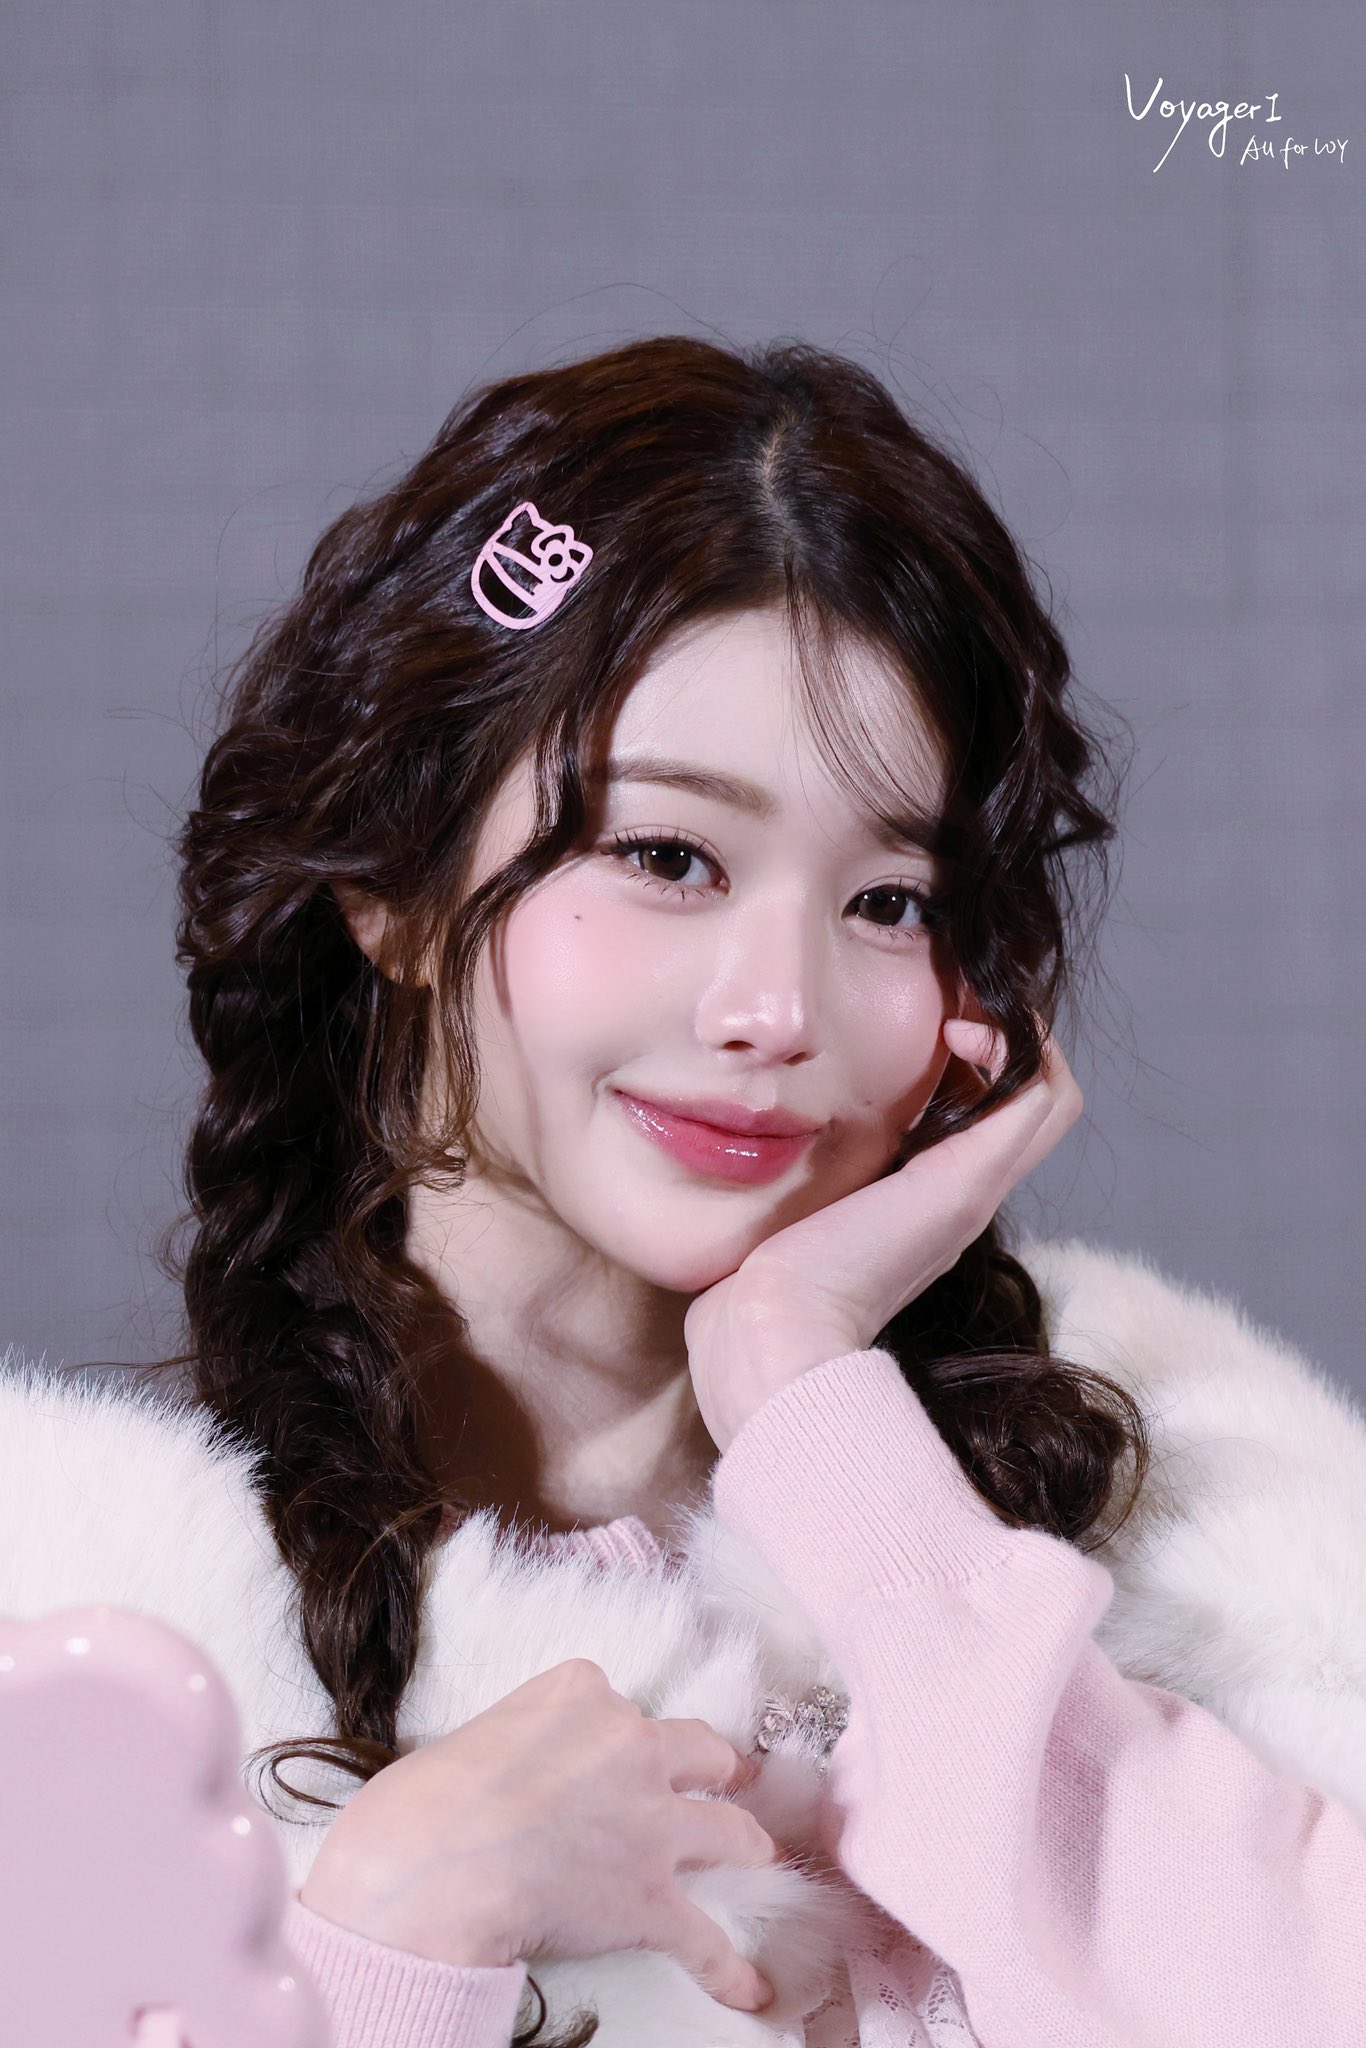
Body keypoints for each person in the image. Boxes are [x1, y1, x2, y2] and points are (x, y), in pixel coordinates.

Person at [157, 336, 1366, 2047]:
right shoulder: (113, 1618)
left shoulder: (1220, 1545)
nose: (778, 1011)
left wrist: (804, 1392)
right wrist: (396, 1936)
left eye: (887, 902)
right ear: (396, 886)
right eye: (667, 857)